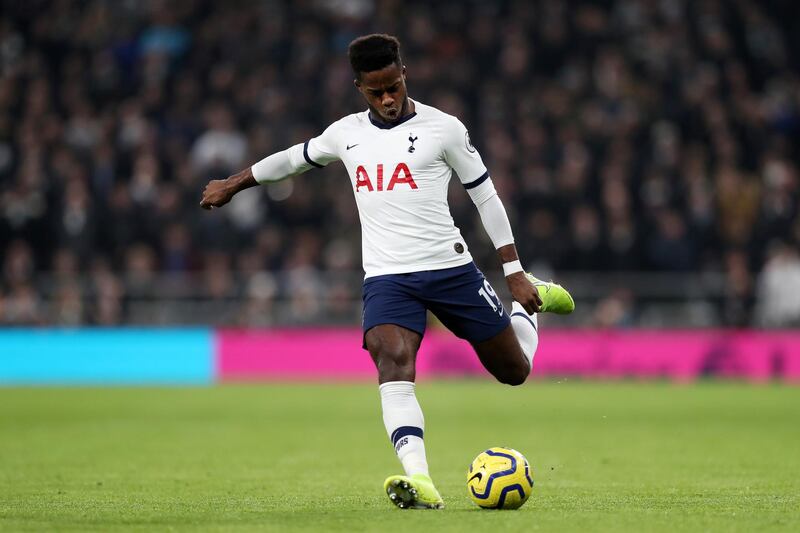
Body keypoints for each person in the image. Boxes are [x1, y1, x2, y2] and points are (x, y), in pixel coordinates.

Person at [200, 34, 574, 509]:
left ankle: (531, 305)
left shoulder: (445, 129)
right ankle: (421, 482)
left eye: (393, 86)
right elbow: (294, 159)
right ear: (360, 88)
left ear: (404, 74)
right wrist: (234, 184)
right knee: (391, 360)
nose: (388, 98)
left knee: (515, 371)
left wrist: (515, 271)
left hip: (450, 270)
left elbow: (485, 195)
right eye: (376, 91)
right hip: (387, 277)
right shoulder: (346, 133)